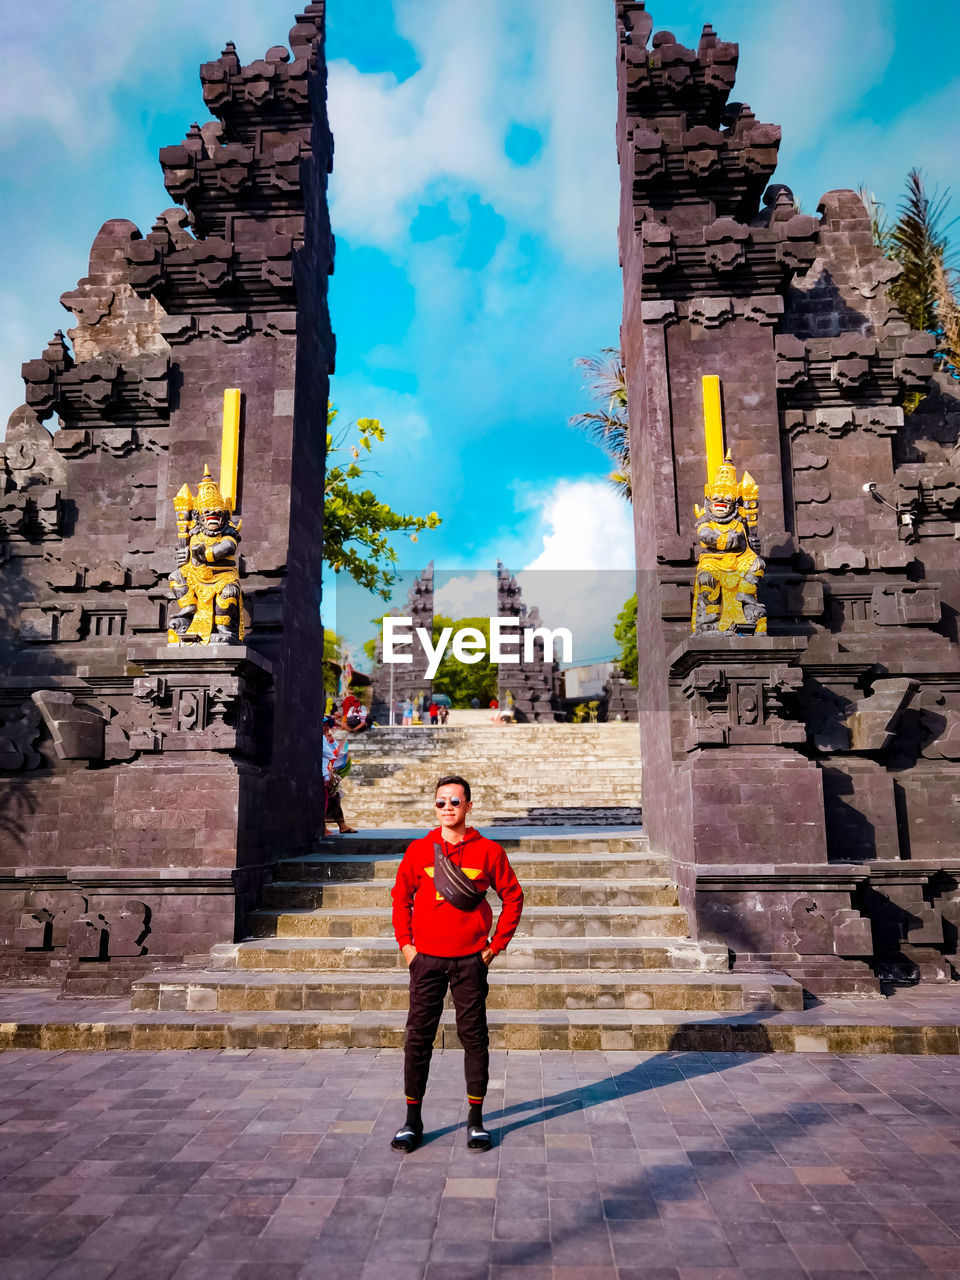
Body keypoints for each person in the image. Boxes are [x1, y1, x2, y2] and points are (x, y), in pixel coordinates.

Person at [390, 774, 523, 1154]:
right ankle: (412, 1120)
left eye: (454, 802)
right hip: (426, 961)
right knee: (418, 1039)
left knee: (474, 1038)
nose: (447, 808)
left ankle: (476, 1120)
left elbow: (514, 897)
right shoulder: (419, 850)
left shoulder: (489, 852)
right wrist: (407, 947)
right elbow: (401, 899)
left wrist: (495, 947)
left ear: (468, 806)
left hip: (469, 961)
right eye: (441, 802)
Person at [322, 717, 357, 836]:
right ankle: (323, 827)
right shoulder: (320, 738)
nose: (326, 728)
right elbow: (330, 754)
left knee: (333, 798)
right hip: (322, 772)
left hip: (327, 772)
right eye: (323, 725)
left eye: (327, 725)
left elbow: (336, 750)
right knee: (325, 800)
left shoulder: (328, 739)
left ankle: (342, 825)